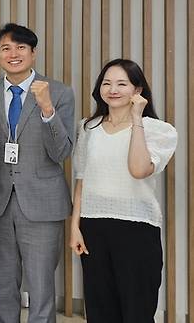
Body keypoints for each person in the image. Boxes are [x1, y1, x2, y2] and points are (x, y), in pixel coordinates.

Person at [0, 23, 74, 323]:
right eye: (5, 48)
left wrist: (47, 110)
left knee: (41, 285)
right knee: (4, 283)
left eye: (20, 47)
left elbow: (61, 152)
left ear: (33, 53)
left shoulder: (59, 92)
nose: (13, 54)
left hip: (42, 203)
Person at [69, 58, 177, 323]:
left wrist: (137, 118)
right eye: (107, 83)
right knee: (99, 309)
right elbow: (82, 179)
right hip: (93, 227)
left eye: (122, 84)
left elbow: (138, 169)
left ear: (137, 90)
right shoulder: (88, 127)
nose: (113, 90)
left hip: (136, 228)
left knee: (137, 310)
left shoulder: (159, 130)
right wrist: (75, 227)